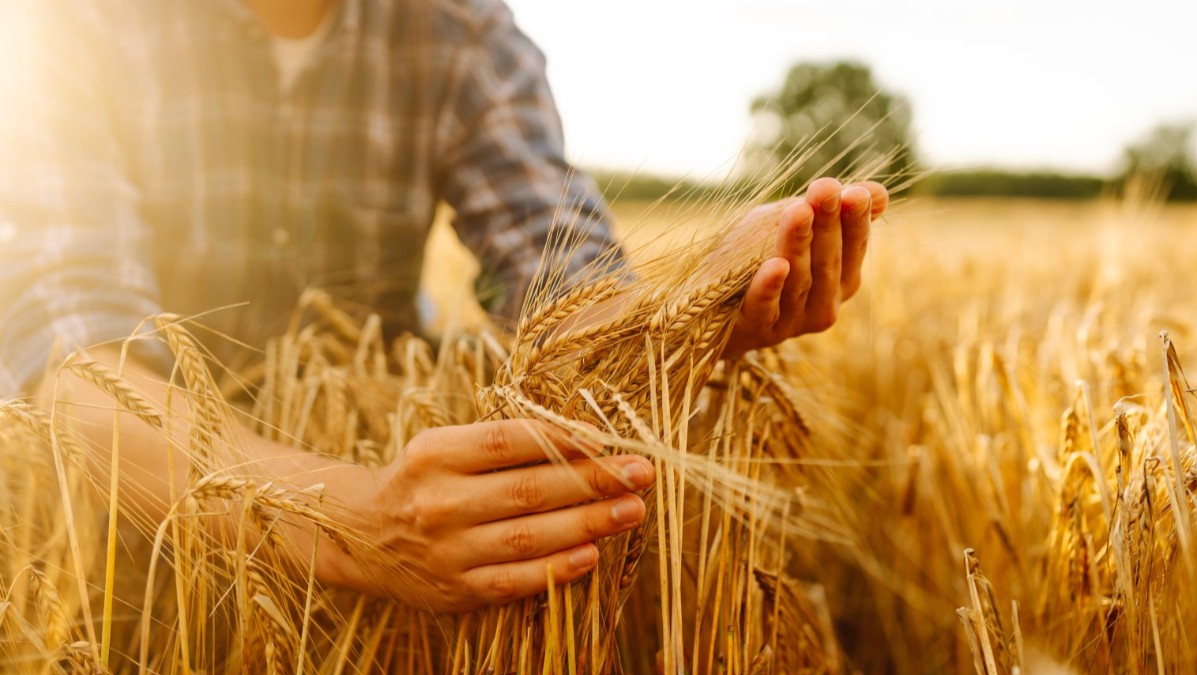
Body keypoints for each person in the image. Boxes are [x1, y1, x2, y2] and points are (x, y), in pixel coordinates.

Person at [0, 0, 888, 612]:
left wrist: (693, 311)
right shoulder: (71, 24)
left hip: (371, 501)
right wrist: (351, 522)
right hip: (117, 539)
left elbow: (559, 283)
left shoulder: (459, 30)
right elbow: (73, 365)